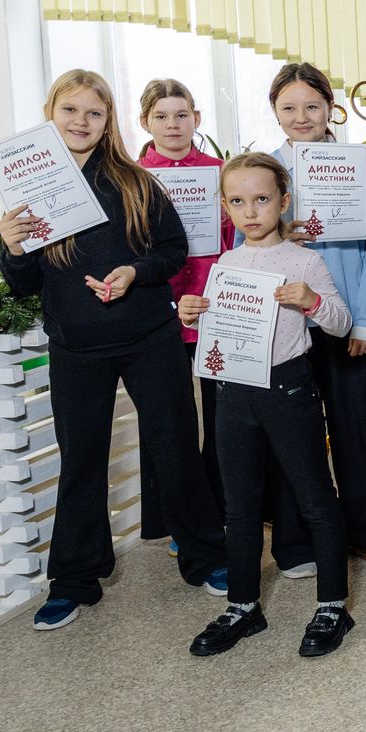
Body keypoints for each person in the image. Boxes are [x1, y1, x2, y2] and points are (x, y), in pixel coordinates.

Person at [0, 70, 227, 631]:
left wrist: (134, 271)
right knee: (80, 461)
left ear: (108, 122)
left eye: (94, 113)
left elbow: (173, 251)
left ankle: (206, 556)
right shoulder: (30, 190)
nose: (81, 121)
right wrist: (12, 248)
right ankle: (74, 580)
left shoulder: (137, 182)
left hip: (150, 339)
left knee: (176, 446)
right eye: (70, 110)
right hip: (75, 348)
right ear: (51, 114)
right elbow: (23, 285)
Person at [182, 153, 356, 658]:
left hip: (288, 389)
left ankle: (333, 604)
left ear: (283, 202)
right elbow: (218, 331)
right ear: (225, 207)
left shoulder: (305, 261)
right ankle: (243, 606)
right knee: (239, 507)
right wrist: (191, 314)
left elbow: (341, 322)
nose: (251, 211)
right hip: (233, 392)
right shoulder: (225, 265)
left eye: (261, 199)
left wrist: (311, 301)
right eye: (238, 202)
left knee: (315, 498)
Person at [268, 63, 366, 572]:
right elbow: (244, 243)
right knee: (293, 435)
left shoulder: (356, 164)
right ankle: (298, 537)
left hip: (347, 324)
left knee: (355, 427)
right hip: (287, 326)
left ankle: (365, 524)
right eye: (289, 107)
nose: (301, 116)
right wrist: (280, 234)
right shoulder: (266, 170)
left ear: (330, 108)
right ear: (275, 111)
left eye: (312, 106)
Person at [136, 78, 228, 543]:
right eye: (161, 116)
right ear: (145, 122)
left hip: (217, 308)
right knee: (169, 423)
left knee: (222, 418)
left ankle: (222, 510)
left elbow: (239, 239)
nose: (172, 125)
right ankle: (177, 521)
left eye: (181, 115)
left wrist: (229, 219)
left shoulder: (220, 173)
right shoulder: (132, 179)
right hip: (159, 313)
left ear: (197, 119)